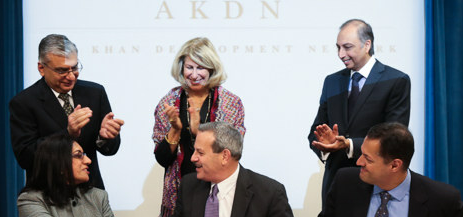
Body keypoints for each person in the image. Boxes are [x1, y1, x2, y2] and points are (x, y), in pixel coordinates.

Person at [308, 19, 411, 203]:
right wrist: (325, 144)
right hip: (336, 186)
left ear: (367, 45)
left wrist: (349, 144)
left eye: (347, 47)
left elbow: (395, 138)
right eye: (338, 47)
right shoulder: (332, 81)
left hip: (376, 186)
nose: (341, 54)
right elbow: (315, 131)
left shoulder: (396, 80)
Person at [9, 34, 124, 190]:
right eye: (62, 71)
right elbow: (25, 157)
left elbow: (110, 149)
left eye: (75, 68)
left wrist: (104, 137)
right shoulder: (24, 102)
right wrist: (67, 133)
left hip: (90, 192)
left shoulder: (95, 93)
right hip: (48, 196)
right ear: (41, 68)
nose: (71, 76)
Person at [152, 37, 245, 216]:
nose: (194, 75)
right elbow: (162, 159)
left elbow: (233, 151)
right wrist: (176, 129)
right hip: (179, 191)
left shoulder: (231, 103)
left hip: (220, 189)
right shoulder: (168, 101)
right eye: (189, 67)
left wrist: (199, 131)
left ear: (212, 68)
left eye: (200, 67)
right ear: (181, 68)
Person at [319, 122, 463, 217]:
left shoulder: (443, 200)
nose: (358, 162)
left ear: (395, 165)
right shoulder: (345, 183)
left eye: (368, 159)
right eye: (361, 153)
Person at [172, 122, 293, 217]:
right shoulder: (189, 186)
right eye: (194, 151)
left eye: (200, 153)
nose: (193, 158)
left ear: (225, 156)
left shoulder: (270, 194)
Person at [17, 134, 114, 216]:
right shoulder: (31, 200)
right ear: (58, 163)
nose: (88, 161)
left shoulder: (99, 196)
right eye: (78, 155)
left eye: (84, 155)